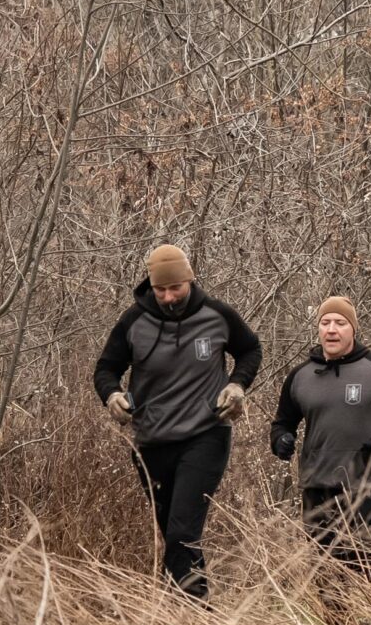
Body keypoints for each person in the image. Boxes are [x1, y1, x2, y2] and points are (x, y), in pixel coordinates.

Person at [90, 243, 262, 599]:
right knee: (173, 535)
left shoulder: (217, 315)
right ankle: (182, 614)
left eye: (176, 288)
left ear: (190, 280)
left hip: (205, 435)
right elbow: (106, 368)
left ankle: (193, 616)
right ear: (151, 287)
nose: (169, 297)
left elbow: (250, 349)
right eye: (161, 290)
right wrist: (112, 395)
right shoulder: (134, 321)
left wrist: (236, 385)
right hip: (151, 441)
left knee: (183, 532)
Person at [269, 295, 371, 593]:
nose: (331, 329)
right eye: (325, 323)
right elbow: (282, 422)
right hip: (317, 481)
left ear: (353, 328)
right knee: (324, 567)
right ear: (318, 328)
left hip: (366, 481)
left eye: (340, 323)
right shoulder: (300, 376)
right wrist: (281, 440)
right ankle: (336, 623)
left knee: (362, 557)